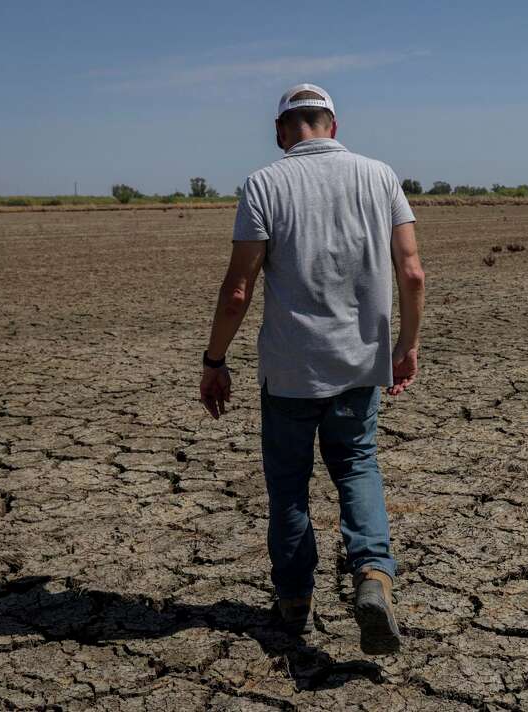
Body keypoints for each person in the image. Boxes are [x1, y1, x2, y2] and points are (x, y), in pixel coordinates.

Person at [198, 83, 424, 656]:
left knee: (289, 488)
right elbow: (413, 272)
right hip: (359, 365)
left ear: (281, 132)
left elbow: (238, 291)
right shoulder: (381, 176)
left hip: (290, 372)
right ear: (333, 125)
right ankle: (373, 577)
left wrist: (214, 359)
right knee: (356, 468)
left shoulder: (264, 184)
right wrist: (408, 344)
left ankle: (295, 601)